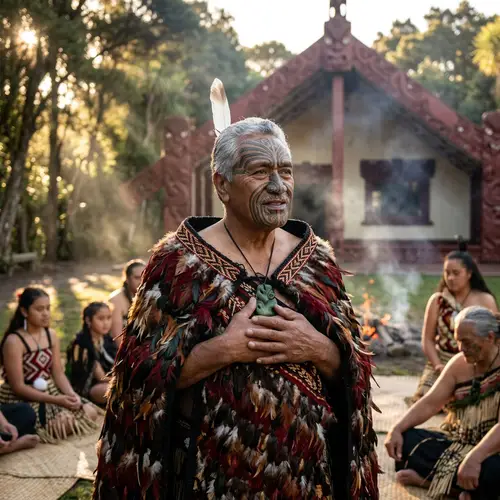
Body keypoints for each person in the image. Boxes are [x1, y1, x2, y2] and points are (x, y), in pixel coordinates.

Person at [93, 79, 379, 500]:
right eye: (261, 172)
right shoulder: (177, 263)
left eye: (286, 171)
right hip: (208, 478)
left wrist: (317, 347)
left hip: (310, 477)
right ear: (222, 184)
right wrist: (226, 348)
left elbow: (353, 369)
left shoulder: (317, 259)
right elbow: (136, 383)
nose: (280, 186)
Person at [385, 306, 500, 500]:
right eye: (458, 341)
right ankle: (461, 490)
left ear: (489, 337)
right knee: (405, 442)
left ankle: (438, 483)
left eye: (466, 342)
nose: (461, 348)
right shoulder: (459, 363)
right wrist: (396, 429)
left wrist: (475, 458)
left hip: (492, 450)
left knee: (492, 471)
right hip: (459, 441)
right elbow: (430, 403)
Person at [0, 287, 100, 443]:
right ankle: (44, 427)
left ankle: (56, 423)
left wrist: (71, 395)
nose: (46, 313)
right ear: (25, 312)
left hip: (49, 389)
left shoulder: (51, 335)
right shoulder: (14, 341)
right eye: (39, 309)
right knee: (63, 423)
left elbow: (58, 373)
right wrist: (57, 401)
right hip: (22, 397)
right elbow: (18, 387)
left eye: (48, 308)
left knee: (90, 411)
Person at [408, 246, 497, 405]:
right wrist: (438, 366)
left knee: (472, 400)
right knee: (427, 399)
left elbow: (495, 338)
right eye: (447, 273)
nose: (450, 278)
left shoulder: (485, 300)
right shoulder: (437, 300)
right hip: (442, 360)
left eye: (456, 273)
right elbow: (427, 340)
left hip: (475, 359)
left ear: (469, 274)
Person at [66, 302, 117, 406]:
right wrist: (124, 379)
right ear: (88, 320)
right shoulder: (82, 345)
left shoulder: (107, 339)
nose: (106, 323)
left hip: (110, 380)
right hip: (90, 388)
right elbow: (101, 377)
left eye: (108, 318)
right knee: (111, 389)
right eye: (101, 319)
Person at [109, 259, 146, 344]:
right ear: (126, 278)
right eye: (137, 278)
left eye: (144, 277)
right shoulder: (116, 300)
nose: (141, 281)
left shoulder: (149, 297)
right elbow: (117, 337)